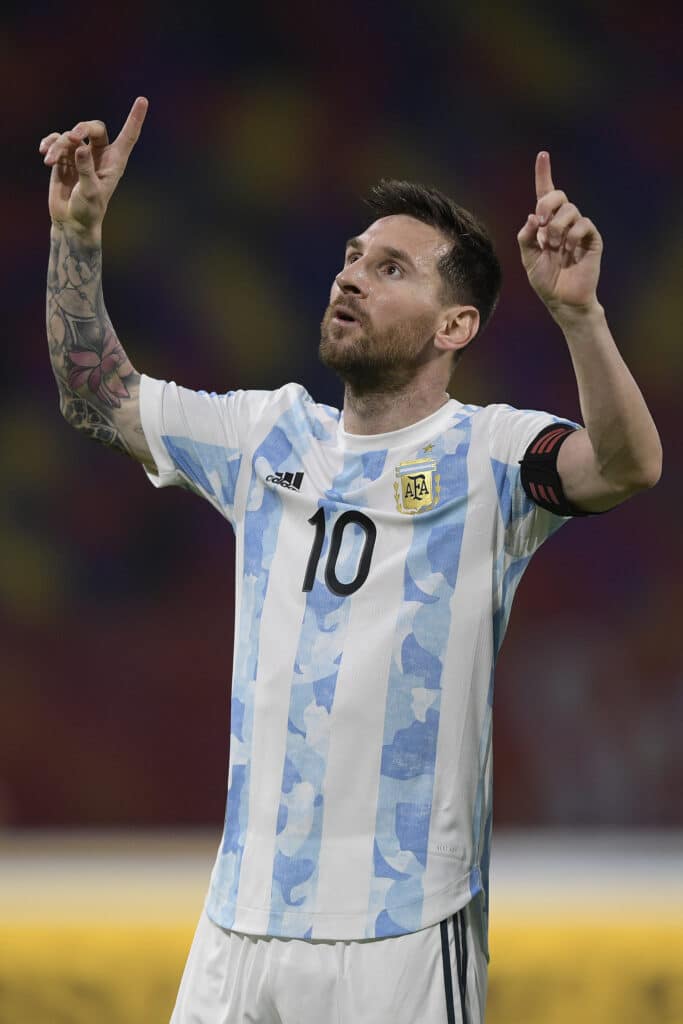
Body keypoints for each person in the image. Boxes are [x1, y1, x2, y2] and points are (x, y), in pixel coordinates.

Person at [40, 97, 662, 1024]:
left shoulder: (493, 456)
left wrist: (580, 319)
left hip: (406, 927)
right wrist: (78, 234)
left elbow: (625, 466)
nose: (351, 278)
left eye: (389, 268)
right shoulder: (265, 435)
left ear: (454, 327)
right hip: (238, 926)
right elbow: (98, 396)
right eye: (349, 260)